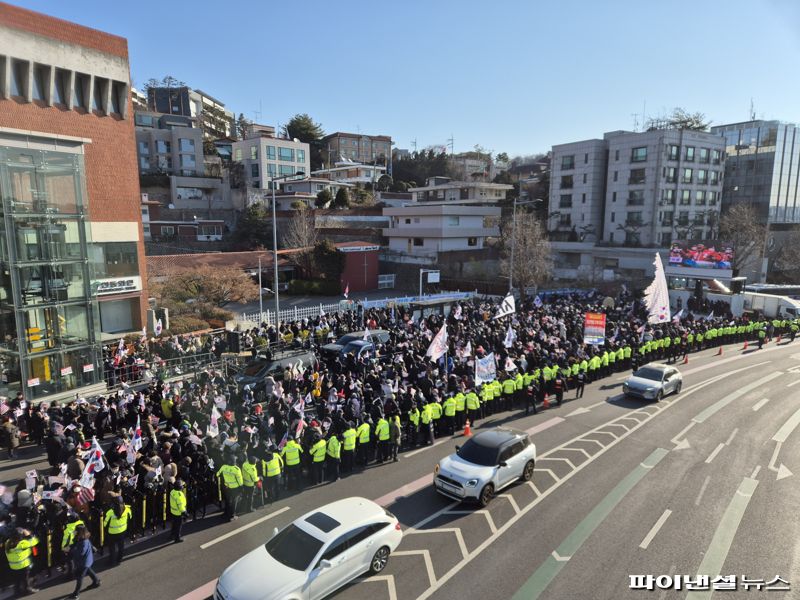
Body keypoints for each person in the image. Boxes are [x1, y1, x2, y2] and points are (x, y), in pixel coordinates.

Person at [67, 525, 100, 599]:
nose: (74, 532)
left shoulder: (83, 542)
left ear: (80, 533)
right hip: (87, 561)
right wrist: (70, 547)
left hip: (83, 563)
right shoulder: (84, 538)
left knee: (79, 578)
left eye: (76, 531)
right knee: (88, 570)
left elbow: (80, 553)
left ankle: (76, 594)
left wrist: (70, 551)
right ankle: (96, 581)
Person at [4, 528, 40, 595]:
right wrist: (29, 535)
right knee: (25, 579)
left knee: (17, 580)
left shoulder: (7, 542)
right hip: (23, 565)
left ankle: (16, 592)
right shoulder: (22, 544)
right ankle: (28, 589)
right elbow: (35, 541)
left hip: (13, 566)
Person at [103, 498, 132, 566]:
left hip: (112, 533)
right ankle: (120, 559)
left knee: (112, 548)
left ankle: (112, 561)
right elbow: (130, 518)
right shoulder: (127, 509)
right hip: (122, 531)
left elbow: (105, 524)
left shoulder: (110, 512)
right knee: (121, 546)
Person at [169, 479, 188, 543]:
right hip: (178, 513)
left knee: (174, 524)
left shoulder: (172, 492)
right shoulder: (179, 495)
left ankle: (172, 535)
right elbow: (180, 505)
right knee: (178, 526)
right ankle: (177, 538)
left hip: (173, 511)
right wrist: (184, 512)